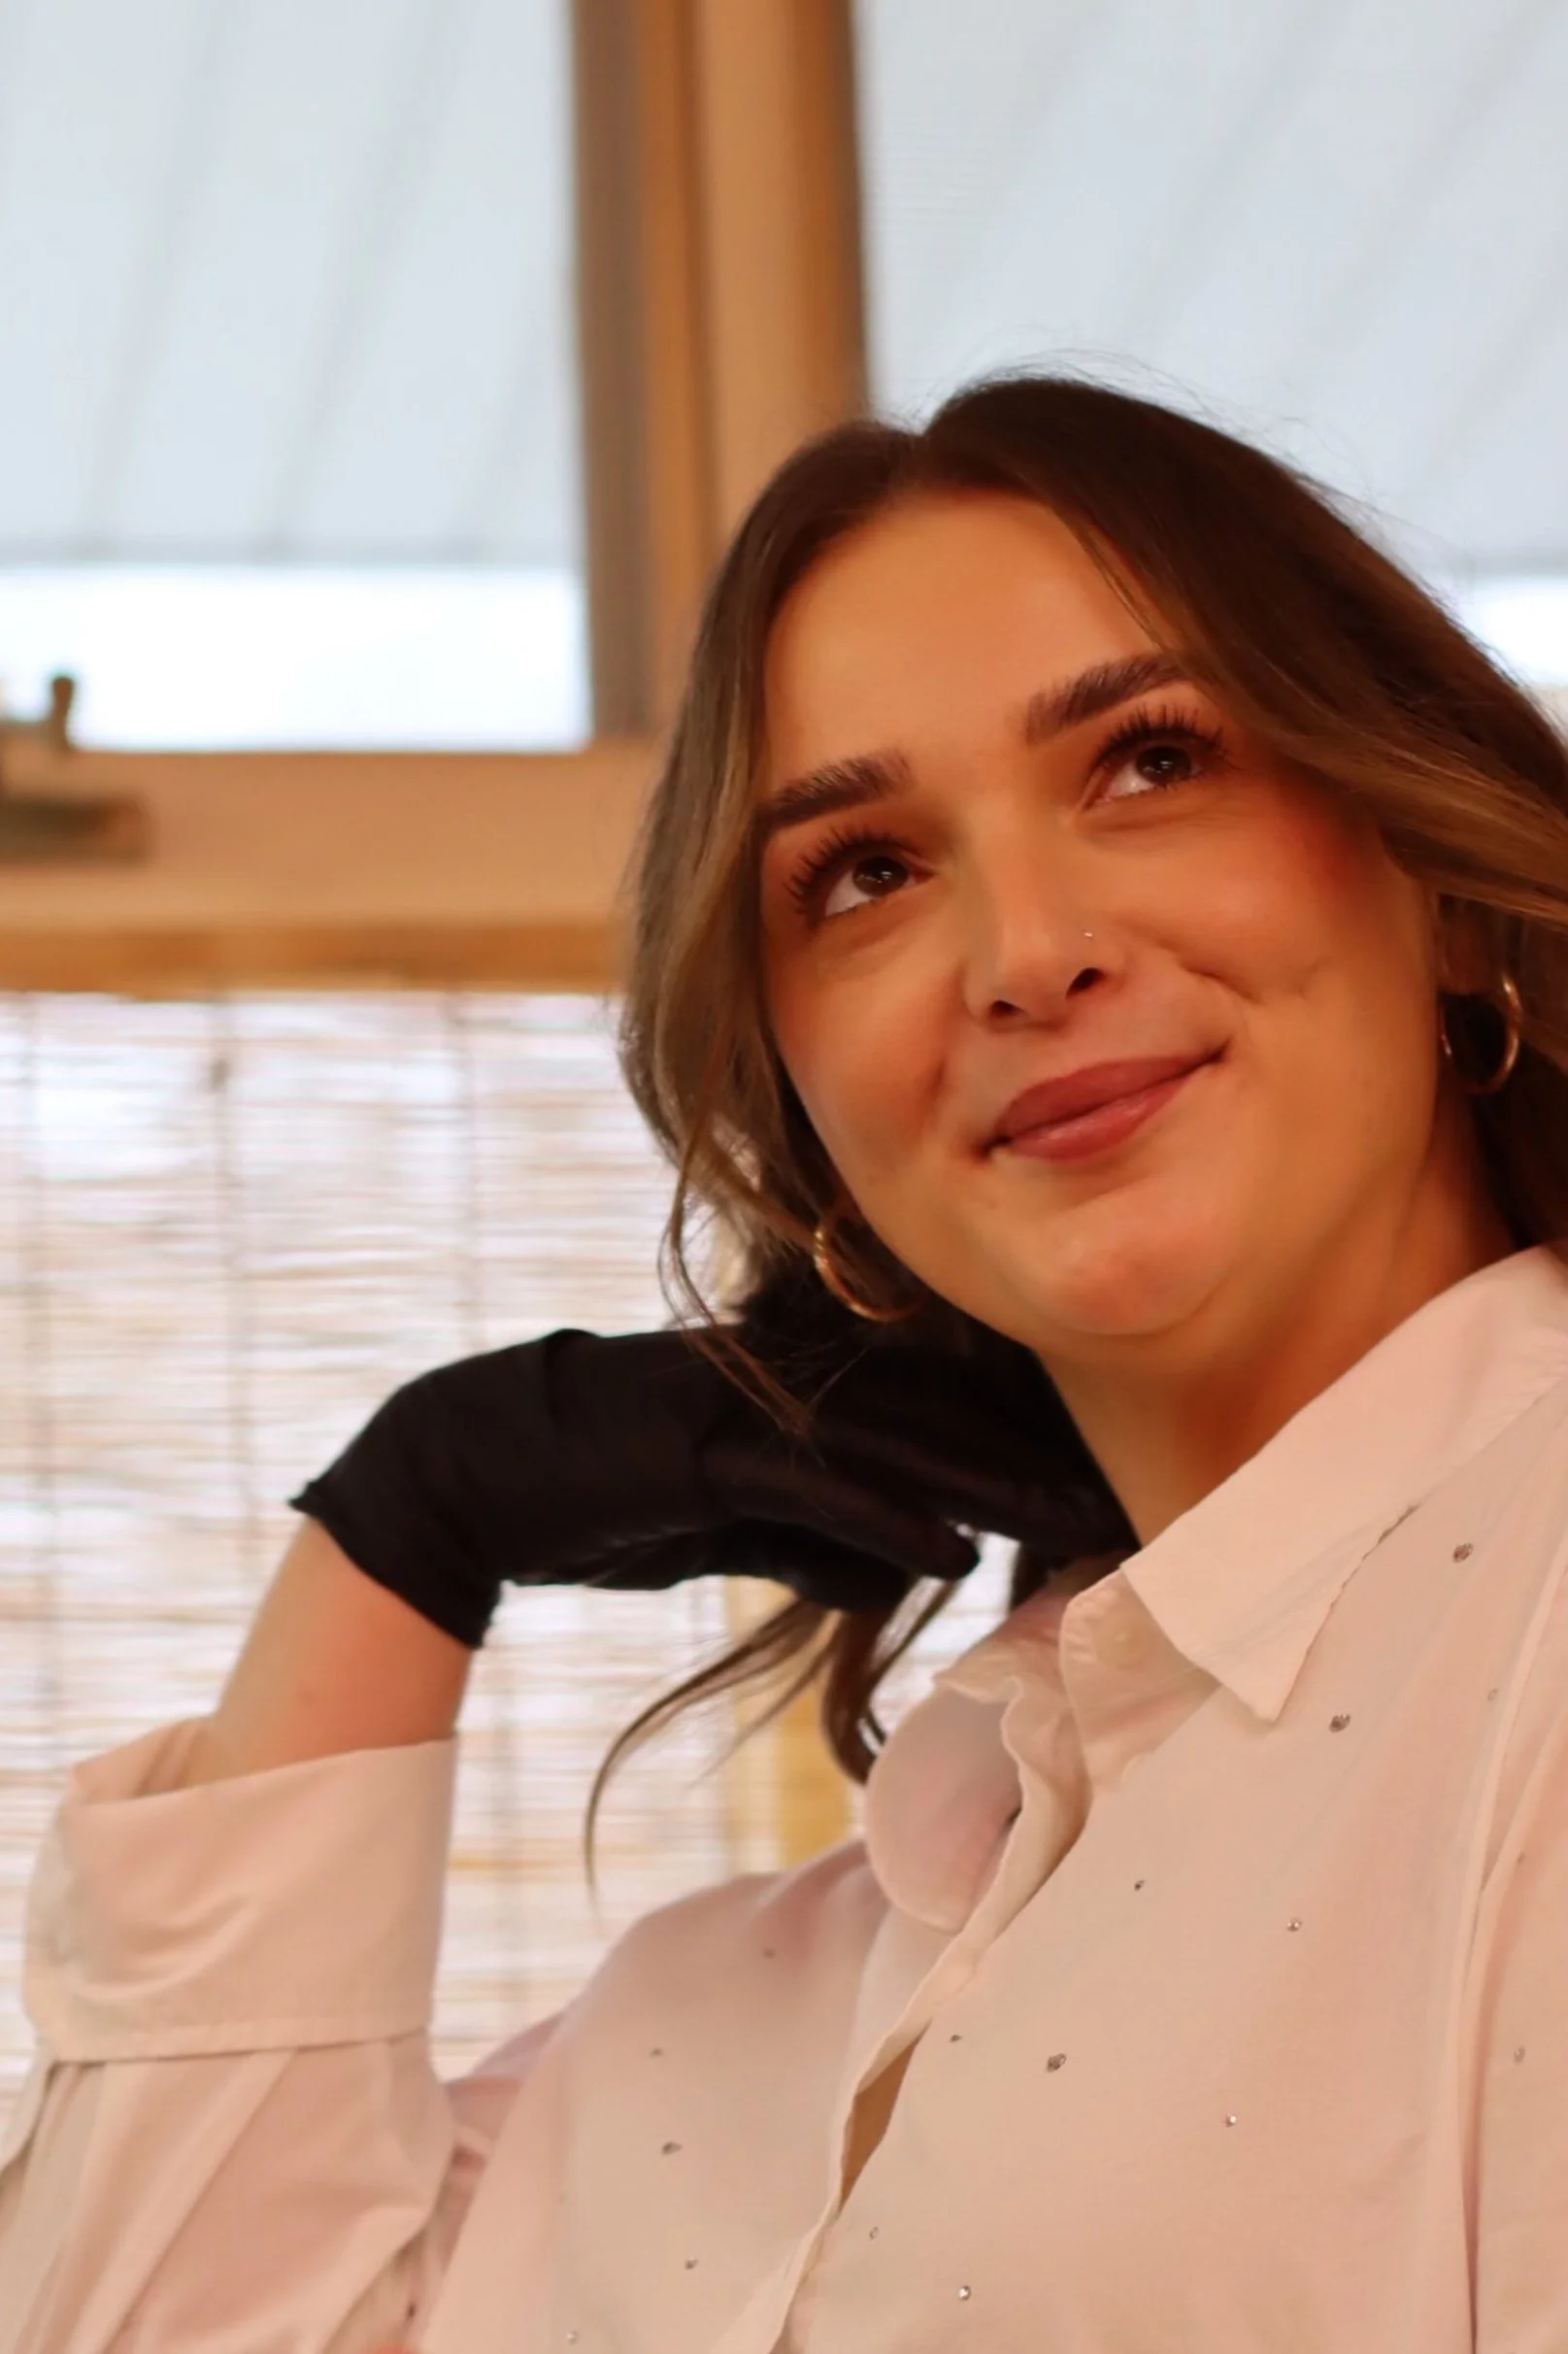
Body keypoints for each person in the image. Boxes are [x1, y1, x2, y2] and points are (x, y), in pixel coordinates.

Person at [3, 373, 1568, 2353]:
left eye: (1151, 760)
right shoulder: (786, 1988)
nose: (1026, 948)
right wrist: (404, 1526)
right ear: (807, 1114)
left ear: (1432, 872)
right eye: (865, 875)